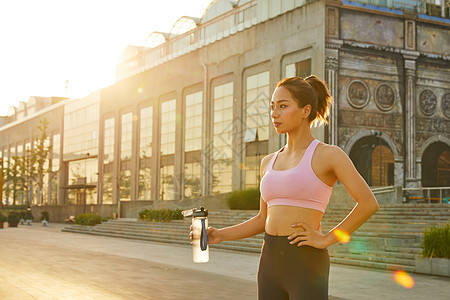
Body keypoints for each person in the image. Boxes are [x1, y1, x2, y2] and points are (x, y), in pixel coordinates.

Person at [192, 76, 379, 299]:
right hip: (269, 261)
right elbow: (262, 219)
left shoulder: (329, 155)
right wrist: (220, 235)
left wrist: (327, 238)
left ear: (305, 110)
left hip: (306, 263)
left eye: (283, 106)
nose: (274, 113)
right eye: (272, 107)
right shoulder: (268, 162)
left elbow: (368, 203)